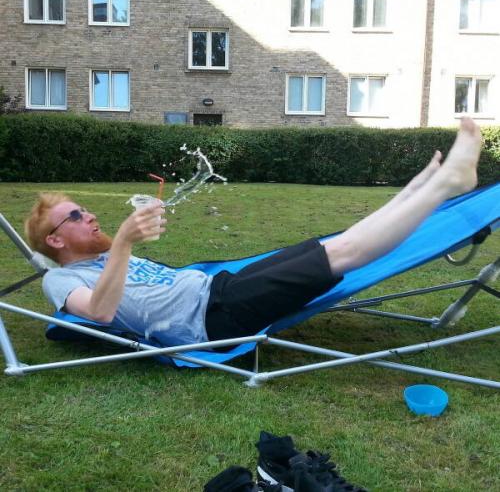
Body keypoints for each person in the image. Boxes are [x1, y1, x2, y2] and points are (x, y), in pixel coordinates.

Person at [24, 118, 482, 348]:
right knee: (341, 254)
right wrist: (125, 240)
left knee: (331, 245)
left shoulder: (103, 259)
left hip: (218, 288)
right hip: (211, 321)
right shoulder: (60, 280)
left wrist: (121, 246)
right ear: (56, 241)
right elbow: (100, 312)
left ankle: (422, 188)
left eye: (84, 209)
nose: (89, 216)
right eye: (76, 215)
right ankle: (446, 184)